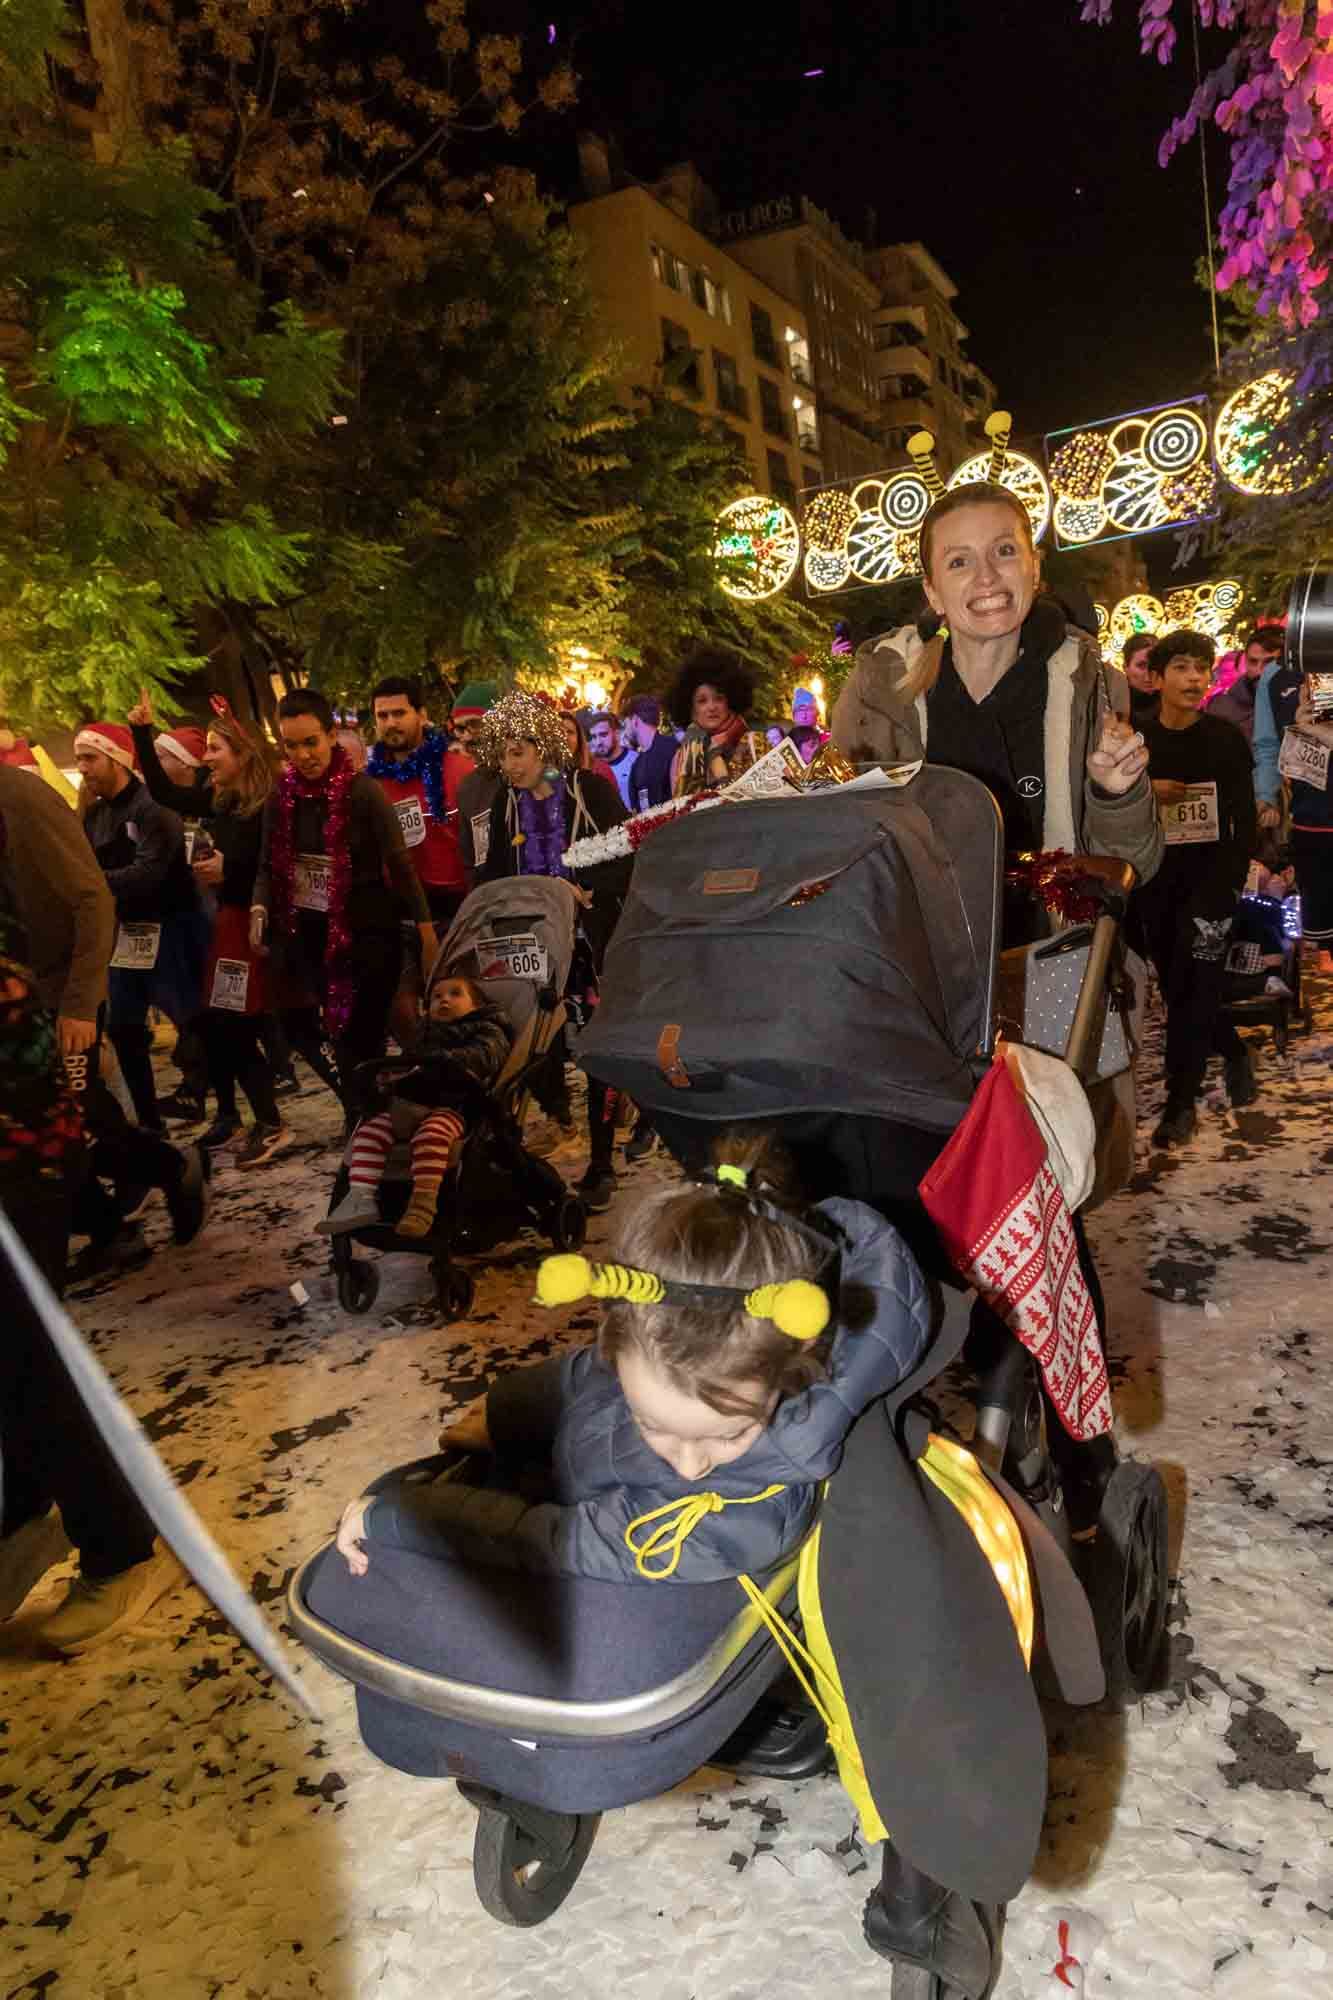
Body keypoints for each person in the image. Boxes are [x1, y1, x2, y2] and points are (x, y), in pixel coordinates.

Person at [334, 1141, 931, 1582]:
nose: (691, 1466)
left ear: (798, 1364)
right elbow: (586, 1372)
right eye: (653, 1423)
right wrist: (504, 1408)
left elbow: (555, 1542)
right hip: (570, 1467)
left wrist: (402, 1520)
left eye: (729, 1435)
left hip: (581, 1532)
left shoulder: (738, 1523)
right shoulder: (660, 1349)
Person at [830, 481, 1162, 930]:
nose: (986, 576)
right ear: (933, 592)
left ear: (1033, 568)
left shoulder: (1093, 685)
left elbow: (1132, 867)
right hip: (922, 959)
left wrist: (1116, 796)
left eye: (1004, 551)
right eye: (959, 561)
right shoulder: (880, 689)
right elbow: (842, 855)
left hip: (1051, 956)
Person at [474, 688, 630, 1211]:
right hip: (533, 948)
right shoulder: (506, 805)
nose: (509, 764)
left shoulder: (589, 791)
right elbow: (495, 871)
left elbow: (627, 854)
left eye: (518, 752)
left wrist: (585, 890)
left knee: (598, 1052)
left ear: (543, 748)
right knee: (534, 1048)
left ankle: (603, 1162)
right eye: (503, 754)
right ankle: (542, 1137)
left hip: (587, 947)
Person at [251, 690, 437, 1122]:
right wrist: (260, 909)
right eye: (292, 745)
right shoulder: (281, 798)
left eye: (311, 742)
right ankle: (368, 1115)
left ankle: (368, 1119)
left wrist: (427, 933)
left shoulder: (363, 792)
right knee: (336, 1037)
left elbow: (400, 865)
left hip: (370, 934)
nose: (303, 755)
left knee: (360, 1037)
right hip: (312, 936)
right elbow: (267, 863)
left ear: (332, 735)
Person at [128, 690, 292, 1165]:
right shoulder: (221, 802)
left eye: (216, 749)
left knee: (242, 1027)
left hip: (253, 928)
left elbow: (272, 872)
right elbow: (165, 793)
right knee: (226, 1028)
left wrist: (228, 871)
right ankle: (264, 1120)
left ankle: (277, 1122)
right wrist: (142, 732)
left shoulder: (267, 806)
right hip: (228, 926)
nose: (206, 758)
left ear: (244, 756)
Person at [1134, 630, 1259, 1145]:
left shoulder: (1224, 739)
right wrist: (1147, 791)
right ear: (1156, 678)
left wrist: (1229, 885)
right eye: (1181, 667)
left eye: (1201, 668)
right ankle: (1232, 1048)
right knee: (1176, 987)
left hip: (1211, 884)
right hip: (1154, 884)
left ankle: (1179, 1105)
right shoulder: (1137, 741)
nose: (1194, 678)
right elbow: (1104, 801)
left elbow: (1243, 820)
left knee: (1197, 985)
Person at [74, 721, 212, 1137]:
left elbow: (148, 874)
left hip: (173, 929)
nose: (82, 767)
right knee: (123, 1028)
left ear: (116, 759)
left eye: (89, 758)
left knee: (197, 1026)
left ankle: (226, 1109)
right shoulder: (95, 815)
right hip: (127, 935)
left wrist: (91, 883)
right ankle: (150, 1122)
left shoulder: (153, 808)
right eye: (79, 759)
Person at [319, 968, 513, 1239]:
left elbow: (487, 1056)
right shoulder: (423, 1035)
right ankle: (360, 1199)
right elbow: (409, 1064)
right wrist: (393, 1076)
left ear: (477, 1005)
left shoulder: (486, 1029)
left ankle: (423, 1205)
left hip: (454, 1105)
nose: (444, 1000)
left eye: (455, 994)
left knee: (430, 1136)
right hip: (408, 1106)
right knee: (369, 1132)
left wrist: (445, 1059)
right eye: (436, 997)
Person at [366, 676, 474, 929]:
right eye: (382, 716)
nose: (391, 723)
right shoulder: (369, 783)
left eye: (399, 713)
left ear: (422, 715)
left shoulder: (461, 771)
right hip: (396, 914)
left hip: (457, 912)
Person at [1253, 646, 1333, 975]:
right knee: (1324, 937)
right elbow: (1268, 745)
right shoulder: (1276, 675)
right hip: (1312, 820)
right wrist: (1265, 795)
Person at [668, 650, 764, 795]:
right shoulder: (683, 755)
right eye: (702, 701)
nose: (712, 707)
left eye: (718, 698)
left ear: (730, 702)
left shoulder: (755, 743)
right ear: (691, 708)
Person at [1207, 622, 1284, 746]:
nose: (1259, 671)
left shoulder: (1302, 704)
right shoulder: (1221, 709)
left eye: (1269, 662)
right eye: (1253, 661)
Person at [622, 695, 677, 812]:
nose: (625, 732)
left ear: (635, 720)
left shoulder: (672, 750)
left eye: (625, 724)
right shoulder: (638, 764)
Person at [561, 709, 618, 793]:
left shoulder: (599, 770)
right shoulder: (542, 773)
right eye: (559, 731)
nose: (564, 737)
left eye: (570, 732)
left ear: (579, 739)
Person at [588, 712, 636, 810]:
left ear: (617, 734)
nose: (598, 742)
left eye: (603, 735)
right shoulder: (590, 769)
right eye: (594, 737)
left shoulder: (635, 760)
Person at [1122, 631, 1159, 729]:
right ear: (1125, 667)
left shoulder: (1175, 703)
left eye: (1155, 665)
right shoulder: (1112, 702)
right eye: (1141, 666)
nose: (1149, 675)